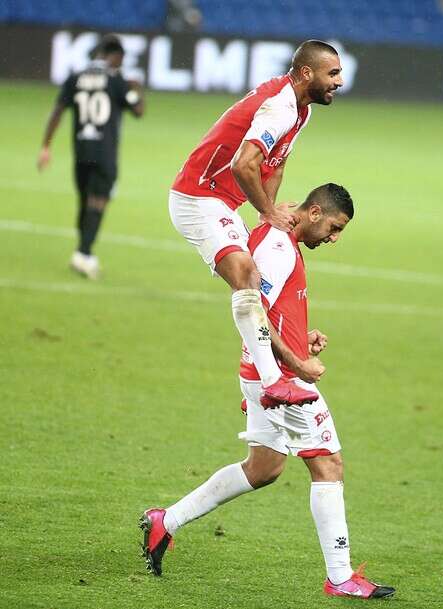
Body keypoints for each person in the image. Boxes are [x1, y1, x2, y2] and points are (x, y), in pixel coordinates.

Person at [141, 183, 396, 599]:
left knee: (263, 468)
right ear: (314, 212)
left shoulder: (279, 239)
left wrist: (299, 338)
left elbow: (268, 314)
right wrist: (298, 361)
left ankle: (164, 521)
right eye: (334, 227)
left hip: (261, 372)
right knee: (328, 464)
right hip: (280, 379)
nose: (334, 238)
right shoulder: (278, 248)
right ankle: (341, 577)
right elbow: (252, 312)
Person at [169, 40, 343, 409]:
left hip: (221, 202)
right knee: (247, 275)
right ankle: (270, 380)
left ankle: (260, 380)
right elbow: (243, 164)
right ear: (306, 73)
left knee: (259, 283)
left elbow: (274, 164)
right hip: (198, 196)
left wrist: (267, 214)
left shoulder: (300, 112)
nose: (339, 81)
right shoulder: (279, 107)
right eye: (332, 73)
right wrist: (267, 211)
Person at [37, 34, 144, 279]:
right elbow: (138, 110)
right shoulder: (115, 80)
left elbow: (57, 111)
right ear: (116, 56)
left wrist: (45, 146)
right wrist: (136, 88)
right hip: (105, 153)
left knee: (85, 201)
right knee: (98, 202)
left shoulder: (75, 77)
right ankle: (83, 253)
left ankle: (83, 251)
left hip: (81, 151)